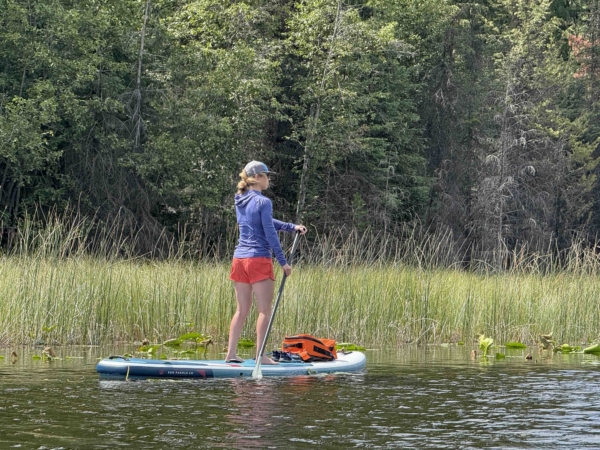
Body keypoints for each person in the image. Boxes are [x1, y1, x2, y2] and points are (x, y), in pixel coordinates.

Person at [225, 161, 307, 364]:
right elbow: (270, 233)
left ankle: (230, 355)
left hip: (239, 259)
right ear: (258, 177)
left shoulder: (239, 199)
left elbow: (265, 222)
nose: (269, 179)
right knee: (264, 310)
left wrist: (291, 227)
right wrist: (283, 262)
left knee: (241, 310)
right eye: (267, 175)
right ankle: (260, 356)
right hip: (258, 259)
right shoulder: (264, 202)